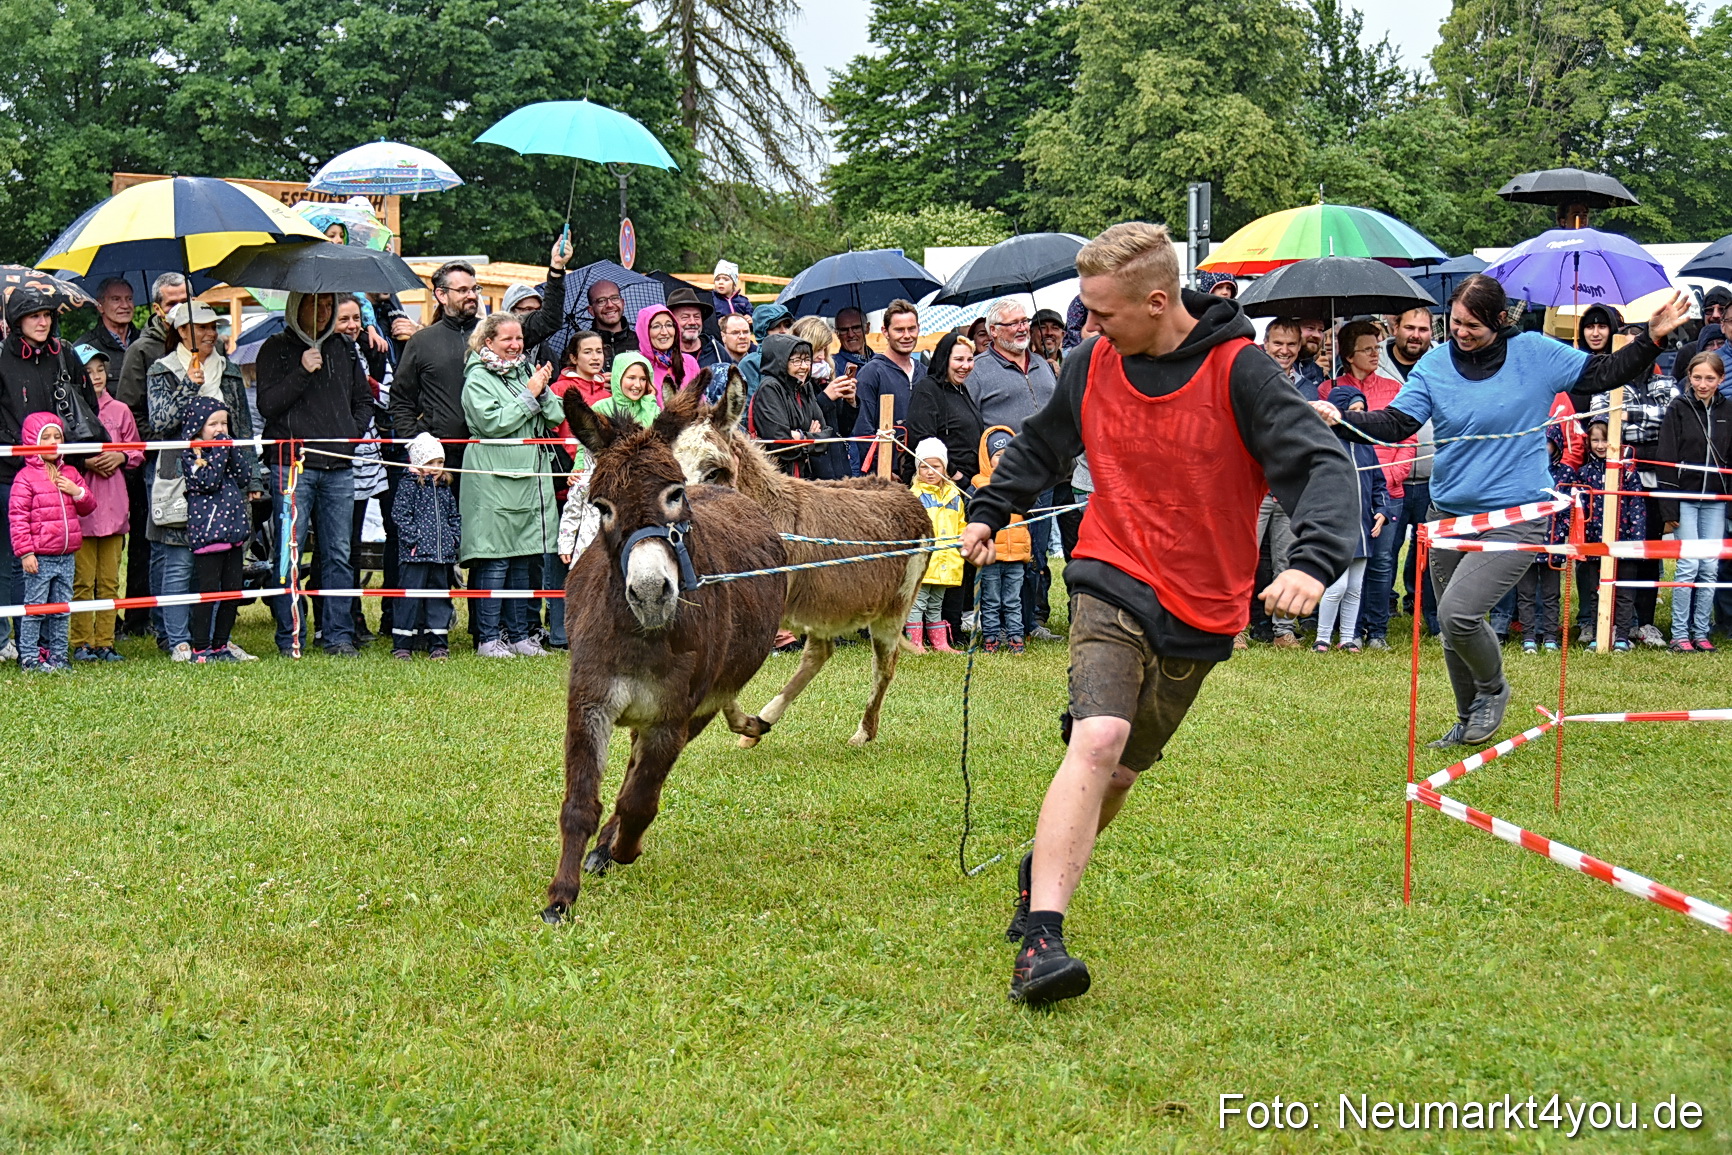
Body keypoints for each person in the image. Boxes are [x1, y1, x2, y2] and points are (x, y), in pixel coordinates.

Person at [962, 221, 1357, 1005]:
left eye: (1101, 312)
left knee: (1123, 771)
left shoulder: (1240, 371)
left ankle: (1041, 867)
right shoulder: (1091, 362)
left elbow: (1320, 464)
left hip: (1203, 607)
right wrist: (990, 507)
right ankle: (1043, 940)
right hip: (1110, 573)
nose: (1086, 327)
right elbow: (1040, 446)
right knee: (1099, 736)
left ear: (1156, 300)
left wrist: (1313, 561)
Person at [1318, 274, 1687, 744]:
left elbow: (1602, 374)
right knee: (1452, 629)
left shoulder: (1534, 353)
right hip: (1448, 514)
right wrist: (1343, 420)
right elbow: (1396, 422)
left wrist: (1653, 338)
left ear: (1498, 320)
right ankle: (1468, 719)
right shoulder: (1434, 366)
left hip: (1517, 517)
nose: (1461, 332)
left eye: (1472, 324)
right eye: (1454, 322)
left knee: (1456, 614)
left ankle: (1493, 691)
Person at [255, 292, 373, 658]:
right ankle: (290, 634)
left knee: (339, 552)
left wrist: (349, 438)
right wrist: (302, 371)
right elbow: (268, 406)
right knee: (288, 552)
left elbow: (363, 400)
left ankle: (338, 634)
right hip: (291, 463)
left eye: (328, 305)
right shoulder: (274, 348)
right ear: (296, 307)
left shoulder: (345, 347)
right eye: (314, 304)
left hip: (337, 465)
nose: (323, 312)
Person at [145, 301, 262, 661]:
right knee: (179, 563)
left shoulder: (227, 371)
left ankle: (216, 640)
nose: (211, 333)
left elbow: (241, 427)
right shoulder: (161, 370)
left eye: (214, 326)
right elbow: (159, 422)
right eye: (202, 327)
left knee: (223, 565)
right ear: (182, 332)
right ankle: (179, 639)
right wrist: (186, 387)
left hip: (226, 483)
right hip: (182, 477)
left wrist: (252, 476)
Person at [392, 241, 569, 472]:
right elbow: (400, 400)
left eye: (474, 289)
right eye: (463, 290)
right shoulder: (422, 341)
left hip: (494, 451)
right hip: (441, 457)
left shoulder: (495, 333)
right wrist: (418, 445)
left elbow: (548, 321)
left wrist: (556, 270)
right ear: (441, 295)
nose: (471, 296)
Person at [0, 287, 99, 665]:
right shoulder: (2, 356)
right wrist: (17, 444)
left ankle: (47, 644)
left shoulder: (65, 352)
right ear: (17, 321)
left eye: (47, 315)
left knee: (56, 568)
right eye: (33, 315)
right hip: (10, 473)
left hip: (58, 471)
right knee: (15, 560)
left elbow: (86, 404)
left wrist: (78, 450)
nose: (42, 322)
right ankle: (9, 639)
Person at [460, 313, 563, 658]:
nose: (516, 345)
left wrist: (541, 390)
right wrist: (529, 395)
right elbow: (492, 423)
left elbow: (556, 416)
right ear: (488, 342)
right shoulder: (476, 378)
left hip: (529, 478)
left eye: (519, 338)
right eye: (507, 339)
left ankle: (520, 636)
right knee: (495, 558)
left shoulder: (523, 371)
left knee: (523, 556)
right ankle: (489, 638)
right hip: (493, 477)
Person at [969, 297, 1063, 641]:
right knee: (1006, 554)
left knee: (1036, 552)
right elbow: (971, 422)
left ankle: (1033, 620)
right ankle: (1004, 626)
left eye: (1025, 321)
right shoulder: (978, 370)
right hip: (1005, 478)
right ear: (994, 332)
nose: (1024, 327)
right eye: (1014, 323)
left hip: (1047, 473)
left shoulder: (1041, 365)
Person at [1583, 308, 1676, 647]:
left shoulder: (1666, 383)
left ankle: (1644, 621)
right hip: (1613, 481)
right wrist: (1638, 432)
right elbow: (1600, 422)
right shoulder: (1608, 383)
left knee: (1646, 551)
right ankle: (1600, 620)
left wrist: (1630, 433)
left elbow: (1668, 424)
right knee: (1603, 552)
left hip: (1652, 482)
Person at [1329, 319, 1414, 649]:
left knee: (1381, 562)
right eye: (1367, 349)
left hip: (1386, 491)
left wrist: (1386, 479)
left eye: (1378, 347)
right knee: (1345, 561)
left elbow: (1406, 441)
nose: (1376, 354)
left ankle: (1377, 630)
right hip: (1347, 492)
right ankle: (1345, 630)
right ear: (1349, 355)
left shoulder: (1393, 390)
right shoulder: (1330, 391)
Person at [113, 273, 188, 641]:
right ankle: (161, 624)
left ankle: (188, 616)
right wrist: (157, 440)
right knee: (160, 542)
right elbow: (129, 411)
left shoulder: (204, 344)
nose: (179, 308)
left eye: (184, 300)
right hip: (159, 459)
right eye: (172, 302)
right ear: (157, 307)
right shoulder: (141, 350)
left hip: (198, 456)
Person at [69, 346, 141, 662]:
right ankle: (81, 641)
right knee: (83, 581)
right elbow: (59, 454)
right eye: (88, 371)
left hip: (113, 508)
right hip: (80, 507)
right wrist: (85, 460)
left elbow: (137, 450)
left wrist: (121, 455)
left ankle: (105, 641)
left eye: (100, 370)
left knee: (109, 580)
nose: (95, 377)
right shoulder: (71, 409)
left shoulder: (120, 410)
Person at [1656, 351, 1732, 651]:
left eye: (1709, 378)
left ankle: (1701, 631)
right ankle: (1679, 634)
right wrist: (1669, 505)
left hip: (1715, 498)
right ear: (1689, 377)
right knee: (1688, 564)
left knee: (1710, 566)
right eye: (1697, 377)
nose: (1703, 384)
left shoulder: (1729, 409)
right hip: (1684, 498)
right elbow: (1666, 455)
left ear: (1721, 380)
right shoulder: (1678, 407)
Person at [1245, 318, 1313, 651]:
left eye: (1291, 345)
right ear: (1265, 345)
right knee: (1242, 561)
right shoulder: (1249, 381)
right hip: (1253, 489)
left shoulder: (1309, 387)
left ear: (1299, 348)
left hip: (1291, 491)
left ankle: (1284, 630)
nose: (1284, 351)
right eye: (1278, 344)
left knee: (1287, 563)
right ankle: (1234, 629)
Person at [9, 412, 96, 671]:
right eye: (44, 437)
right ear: (31, 441)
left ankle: (59, 656)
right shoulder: (25, 478)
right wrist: (26, 553)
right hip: (40, 557)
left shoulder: (69, 473)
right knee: (35, 609)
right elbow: (18, 518)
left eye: (57, 436)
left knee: (61, 609)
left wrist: (76, 491)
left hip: (66, 556)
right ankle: (30, 658)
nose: (52, 442)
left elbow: (89, 505)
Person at [1315, 385, 1394, 653]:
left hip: (1362, 529)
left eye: (1361, 411)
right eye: (1351, 411)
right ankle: (1322, 637)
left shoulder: (1364, 446)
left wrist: (1382, 511)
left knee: (1355, 588)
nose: (1356, 417)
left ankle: (1348, 637)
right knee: (1336, 586)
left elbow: (1379, 485)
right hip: (1336, 529)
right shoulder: (1323, 444)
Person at [179, 397, 251, 663]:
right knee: (208, 594)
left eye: (224, 423)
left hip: (233, 534)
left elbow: (243, 477)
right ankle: (200, 648)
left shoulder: (224, 449)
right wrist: (220, 451)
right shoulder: (191, 454)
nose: (220, 428)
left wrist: (231, 449)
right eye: (213, 424)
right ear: (198, 427)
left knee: (232, 593)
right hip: (208, 536)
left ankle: (221, 644)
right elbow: (208, 481)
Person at [1563, 415, 1644, 649]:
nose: (1600, 445)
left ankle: (1622, 637)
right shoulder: (1584, 474)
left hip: (1624, 543)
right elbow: (1579, 512)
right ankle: (1600, 634)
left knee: (1625, 592)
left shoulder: (1627, 473)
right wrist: (1582, 540)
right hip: (1594, 544)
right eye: (1595, 440)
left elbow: (1636, 507)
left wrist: (1635, 543)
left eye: (1605, 440)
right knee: (1595, 591)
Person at [1381, 307, 1439, 634]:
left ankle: (1427, 613)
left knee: (1430, 555)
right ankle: (1382, 612)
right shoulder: (1379, 364)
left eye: (1423, 329)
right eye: (1409, 327)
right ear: (1395, 326)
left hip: (1433, 477)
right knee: (1386, 551)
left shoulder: (1443, 363)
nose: (1416, 334)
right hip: (1390, 477)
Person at [391, 432, 461, 660]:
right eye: (430, 463)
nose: (436, 467)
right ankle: (402, 644)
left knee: (439, 599)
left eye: (439, 462)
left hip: (441, 556)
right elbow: (400, 515)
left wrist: (453, 539)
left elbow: (454, 516)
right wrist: (414, 540)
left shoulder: (444, 488)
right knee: (408, 599)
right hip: (415, 555)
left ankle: (438, 644)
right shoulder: (408, 485)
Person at [1514, 426, 1574, 654]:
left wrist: (1562, 529)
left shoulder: (1566, 473)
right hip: (1526, 540)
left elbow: (1571, 509)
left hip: (1554, 542)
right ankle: (1528, 636)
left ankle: (1550, 636)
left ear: (1556, 445)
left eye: (1547, 443)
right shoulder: (1521, 472)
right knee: (1526, 593)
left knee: (1551, 593)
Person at [972, 427, 1031, 653]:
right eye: (998, 455)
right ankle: (991, 638)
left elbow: (1031, 512)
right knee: (991, 600)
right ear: (988, 458)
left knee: (1013, 601)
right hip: (991, 555)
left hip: (1016, 555)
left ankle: (1016, 638)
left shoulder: (1021, 484)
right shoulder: (978, 485)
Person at [850, 300, 924, 478]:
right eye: (899, 330)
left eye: (911, 329)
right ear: (885, 332)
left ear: (918, 328)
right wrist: (881, 469)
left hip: (923, 473)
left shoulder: (925, 372)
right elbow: (862, 429)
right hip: (886, 476)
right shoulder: (871, 373)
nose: (906, 335)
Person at [907, 438, 966, 653]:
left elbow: (960, 524)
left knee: (936, 603)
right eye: (924, 466)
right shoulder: (914, 496)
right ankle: (915, 642)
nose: (930, 472)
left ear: (945, 467)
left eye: (936, 466)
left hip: (946, 560)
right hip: (923, 561)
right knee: (918, 602)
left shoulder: (955, 496)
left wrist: (961, 545)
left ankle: (940, 642)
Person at [746, 334, 831, 478]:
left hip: (803, 476)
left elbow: (825, 435)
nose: (804, 367)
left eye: (807, 360)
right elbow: (781, 444)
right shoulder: (770, 388)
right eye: (797, 361)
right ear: (781, 361)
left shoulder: (805, 386)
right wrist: (810, 437)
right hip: (776, 479)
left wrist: (800, 436)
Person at [907, 332, 985, 486]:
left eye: (970, 359)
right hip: (941, 484)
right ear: (944, 360)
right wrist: (956, 476)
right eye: (958, 360)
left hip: (968, 482)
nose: (966, 365)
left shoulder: (960, 389)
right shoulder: (927, 389)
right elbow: (923, 440)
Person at [633, 302, 700, 405]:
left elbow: (701, 401)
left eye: (669, 325)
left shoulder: (690, 362)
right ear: (644, 331)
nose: (664, 332)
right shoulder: (636, 366)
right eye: (656, 326)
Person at [737, 303, 793, 398]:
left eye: (787, 325)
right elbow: (749, 406)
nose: (783, 331)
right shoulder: (750, 364)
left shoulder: (796, 360)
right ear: (763, 330)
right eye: (776, 326)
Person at [593, 352, 661, 426]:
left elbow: (653, 434)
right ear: (618, 378)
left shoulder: (652, 408)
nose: (638, 385)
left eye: (643, 379)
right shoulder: (600, 409)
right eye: (631, 378)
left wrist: (649, 401)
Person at [667, 286, 726, 368]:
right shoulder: (664, 355)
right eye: (685, 317)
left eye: (697, 317)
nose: (692, 322)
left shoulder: (715, 349)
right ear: (671, 321)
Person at [552, 329, 611, 409]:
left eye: (599, 351)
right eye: (587, 352)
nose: (595, 357)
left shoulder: (607, 396)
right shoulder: (559, 389)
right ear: (573, 358)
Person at [83, 277, 138, 361]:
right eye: (116, 299)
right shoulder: (86, 348)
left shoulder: (147, 341)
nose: (125, 305)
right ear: (100, 306)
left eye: (129, 299)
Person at [833, 307, 870, 378]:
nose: (851, 334)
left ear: (867, 328)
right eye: (844, 330)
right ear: (837, 333)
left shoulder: (881, 362)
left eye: (856, 328)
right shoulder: (832, 367)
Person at [1031, 308, 1066, 375]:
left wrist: (1062, 377)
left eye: (1055, 328)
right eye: (1042, 327)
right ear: (1031, 334)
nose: (1049, 333)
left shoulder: (1072, 365)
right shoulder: (1023, 366)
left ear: (1062, 335)